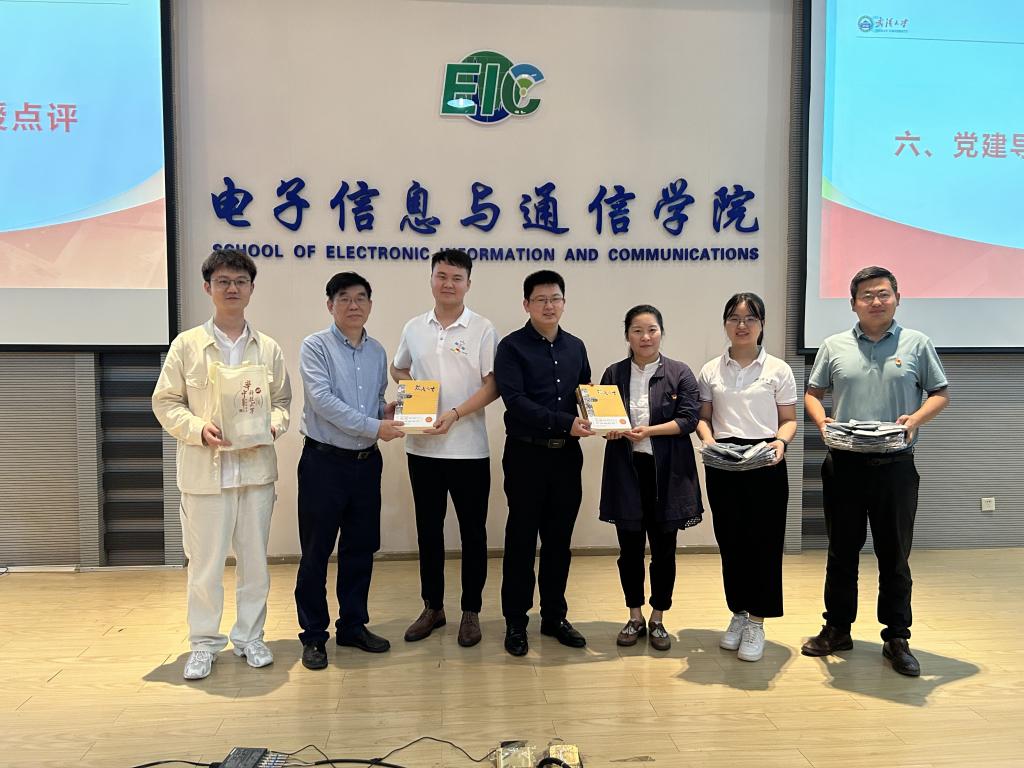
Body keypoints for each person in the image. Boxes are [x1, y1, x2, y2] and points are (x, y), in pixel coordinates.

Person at [801, 266, 949, 676]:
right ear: (853, 304)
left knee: (894, 555)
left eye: (883, 294)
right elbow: (812, 393)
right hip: (844, 465)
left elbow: (940, 393)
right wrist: (821, 421)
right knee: (841, 551)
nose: (876, 301)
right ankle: (837, 628)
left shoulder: (917, 344)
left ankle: (897, 637)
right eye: (866, 295)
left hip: (895, 466)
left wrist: (915, 419)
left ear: (897, 298)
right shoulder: (833, 345)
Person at [152, 248, 291, 681]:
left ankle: (250, 637)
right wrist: (197, 429)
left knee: (255, 563)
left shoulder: (268, 348)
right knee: (205, 565)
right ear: (207, 287)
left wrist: (272, 424)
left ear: (251, 288)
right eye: (223, 281)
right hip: (205, 474)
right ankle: (204, 643)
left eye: (240, 281)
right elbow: (165, 402)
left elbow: (282, 402)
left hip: (255, 473)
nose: (232, 288)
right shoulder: (187, 346)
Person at [293, 272, 405, 670]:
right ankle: (313, 635)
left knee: (360, 550)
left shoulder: (377, 351)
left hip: (365, 464)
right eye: (344, 298)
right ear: (330, 305)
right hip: (323, 463)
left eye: (361, 298)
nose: (353, 305)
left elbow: (372, 403)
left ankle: (353, 626)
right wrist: (376, 426)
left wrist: (387, 412)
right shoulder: (315, 346)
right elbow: (322, 402)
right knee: (316, 552)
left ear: (370, 305)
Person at [390, 249, 499, 647]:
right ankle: (433, 607)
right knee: (428, 532)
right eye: (441, 276)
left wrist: (454, 413)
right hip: (422, 449)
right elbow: (398, 367)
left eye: (456, 278)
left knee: (473, 534)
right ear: (431, 279)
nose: (448, 284)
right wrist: (414, 392)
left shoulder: (482, 328)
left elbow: (493, 385)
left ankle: (471, 611)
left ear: (468, 284)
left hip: (469, 449)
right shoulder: (414, 327)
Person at [494, 269, 595, 656]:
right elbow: (515, 402)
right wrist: (566, 422)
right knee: (521, 539)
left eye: (555, 298)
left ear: (564, 303)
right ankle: (515, 621)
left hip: (567, 457)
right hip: (526, 455)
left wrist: (602, 417)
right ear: (527, 304)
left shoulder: (576, 347)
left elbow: (585, 394)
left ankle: (554, 616)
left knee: (559, 540)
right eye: (541, 299)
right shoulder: (511, 347)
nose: (549, 306)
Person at [695, 293, 797, 662]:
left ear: (762, 324)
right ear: (725, 324)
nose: (742, 325)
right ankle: (738, 612)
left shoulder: (778, 370)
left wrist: (780, 443)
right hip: (723, 462)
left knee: (764, 544)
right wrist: (708, 442)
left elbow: (788, 420)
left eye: (750, 318)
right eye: (734, 318)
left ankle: (757, 621)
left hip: (765, 460)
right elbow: (703, 418)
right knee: (731, 541)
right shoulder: (710, 370)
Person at [598, 305, 702, 652]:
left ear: (661, 333)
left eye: (652, 330)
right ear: (627, 335)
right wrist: (609, 431)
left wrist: (649, 431)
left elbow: (689, 420)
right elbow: (603, 420)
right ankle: (634, 616)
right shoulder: (614, 373)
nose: (645, 337)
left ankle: (658, 617)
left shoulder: (679, 372)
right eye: (637, 330)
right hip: (626, 472)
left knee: (664, 551)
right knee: (629, 551)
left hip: (667, 474)